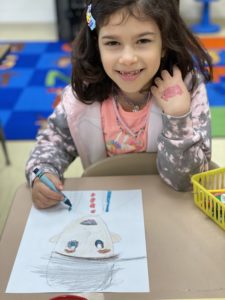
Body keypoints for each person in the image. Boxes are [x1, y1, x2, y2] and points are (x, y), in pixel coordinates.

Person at [25, 0, 213, 209]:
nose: (127, 58)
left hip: (168, 208)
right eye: (113, 43)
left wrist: (178, 117)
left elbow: (188, 181)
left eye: (143, 41)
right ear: (97, 44)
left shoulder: (187, 91)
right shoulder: (82, 97)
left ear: (164, 44)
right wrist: (43, 171)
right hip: (106, 208)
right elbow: (54, 142)